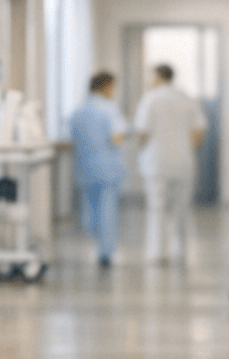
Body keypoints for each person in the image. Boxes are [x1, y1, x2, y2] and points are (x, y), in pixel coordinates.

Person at [134, 64, 208, 264]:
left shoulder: (150, 99)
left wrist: (143, 149)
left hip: (156, 162)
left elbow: (142, 132)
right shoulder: (187, 98)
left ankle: (158, 253)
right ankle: (181, 251)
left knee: (156, 207)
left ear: (158, 77)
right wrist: (187, 149)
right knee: (181, 208)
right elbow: (200, 130)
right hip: (183, 162)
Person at [70, 71, 127, 267]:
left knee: (91, 209)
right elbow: (116, 137)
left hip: (85, 167)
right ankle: (105, 252)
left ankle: (95, 238)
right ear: (106, 87)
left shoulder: (78, 110)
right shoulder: (109, 109)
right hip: (107, 168)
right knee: (107, 211)